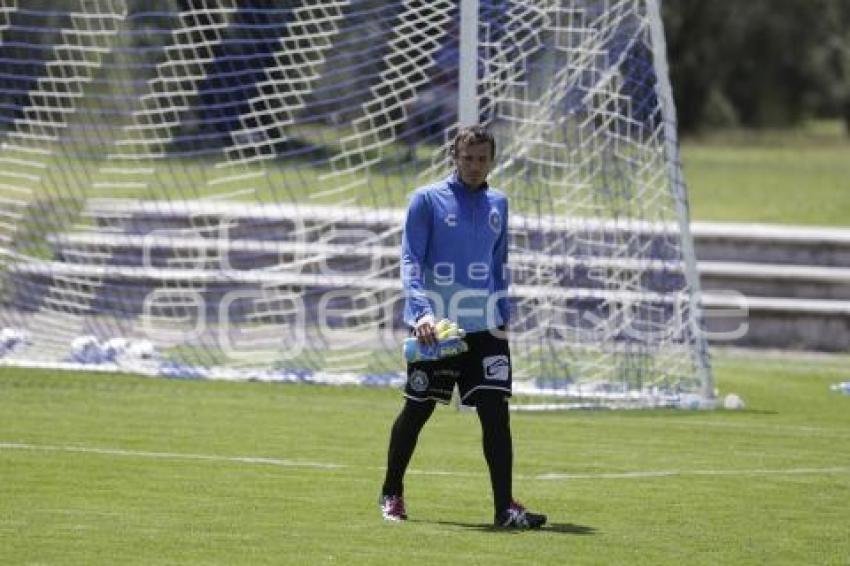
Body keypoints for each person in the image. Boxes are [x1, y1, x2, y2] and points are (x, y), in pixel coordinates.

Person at [379, 125, 547, 529]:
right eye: (467, 158)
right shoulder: (426, 200)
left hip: (487, 327)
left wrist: (501, 316)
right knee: (418, 410)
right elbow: (410, 260)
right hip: (437, 328)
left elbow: (497, 264)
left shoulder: (499, 204)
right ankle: (391, 492)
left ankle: (504, 507)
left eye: (482, 159)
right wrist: (420, 314)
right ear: (454, 156)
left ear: (492, 160)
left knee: (495, 414)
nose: (474, 166)